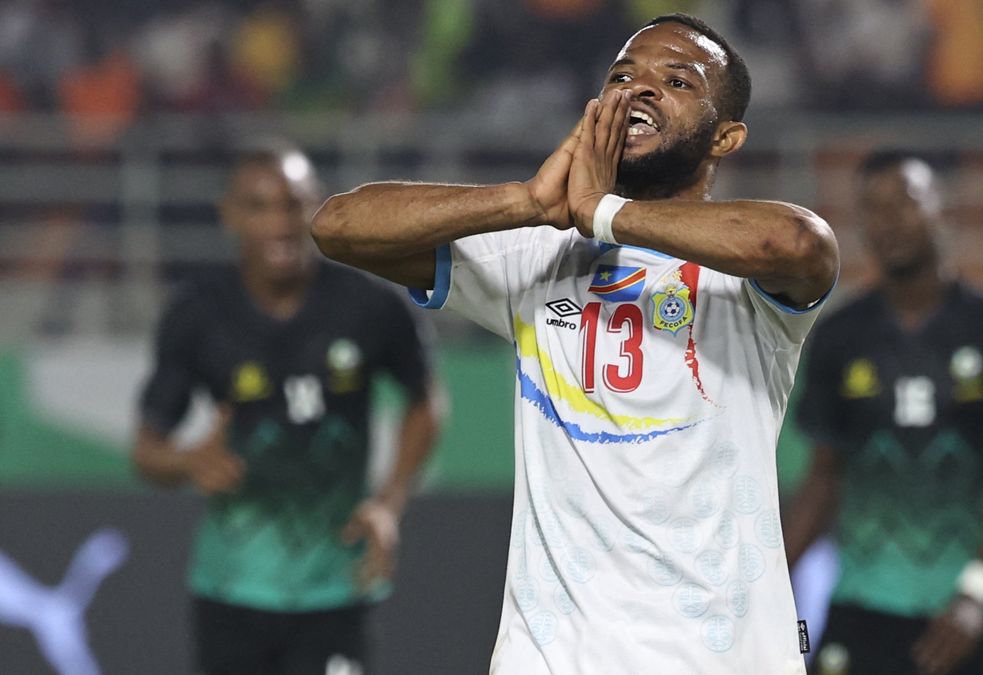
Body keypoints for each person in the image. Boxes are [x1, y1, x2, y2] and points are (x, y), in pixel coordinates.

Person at [312, 12, 839, 675]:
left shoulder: (744, 280)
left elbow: (798, 243)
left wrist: (604, 211)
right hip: (553, 657)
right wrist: (526, 203)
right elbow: (338, 224)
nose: (640, 88)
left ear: (726, 137)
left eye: (676, 79)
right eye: (624, 74)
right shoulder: (536, 254)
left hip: (717, 656)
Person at [132, 145, 441, 675]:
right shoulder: (196, 315)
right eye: (259, 207)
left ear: (315, 209)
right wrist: (187, 462)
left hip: (336, 585)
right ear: (229, 214)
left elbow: (425, 400)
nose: (279, 223)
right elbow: (146, 451)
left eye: (293, 205)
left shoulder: (367, 306)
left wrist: (390, 503)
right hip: (232, 586)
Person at [782, 150, 983, 675]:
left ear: (942, 210)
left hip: (977, 612)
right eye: (873, 208)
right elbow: (823, 479)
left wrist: (976, 593)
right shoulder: (841, 338)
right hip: (865, 605)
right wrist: (771, 582)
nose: (888, 221)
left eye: (904, 202)